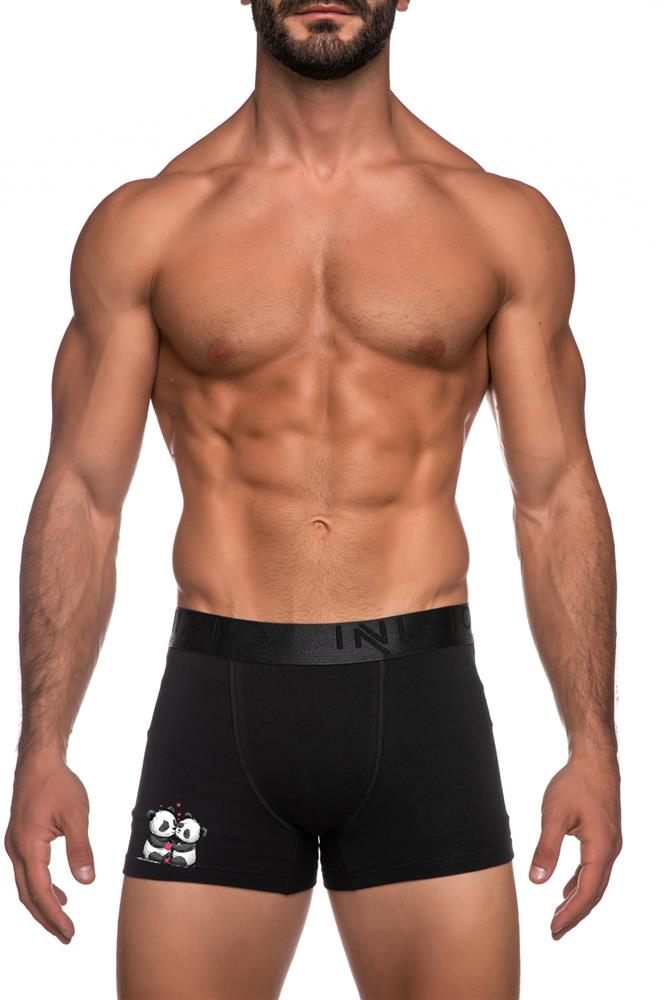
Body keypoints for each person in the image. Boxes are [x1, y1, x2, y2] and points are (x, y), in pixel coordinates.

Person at [4, 2, 623, 997]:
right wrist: (42, 749)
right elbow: (83, 494)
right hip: (218, 707)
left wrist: (592, 746)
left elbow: (554, 497)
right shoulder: (150, 225)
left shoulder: (498, 224)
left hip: (422, 706)